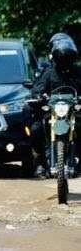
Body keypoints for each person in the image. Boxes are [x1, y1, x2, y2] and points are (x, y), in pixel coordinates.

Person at [30, 33, 81, 176]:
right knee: (36, 129)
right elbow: (37, 89)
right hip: (52, 113)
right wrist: (37, 97)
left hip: (75, 112)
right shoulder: (48, 73)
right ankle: (40, 162)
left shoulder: (78, 72)